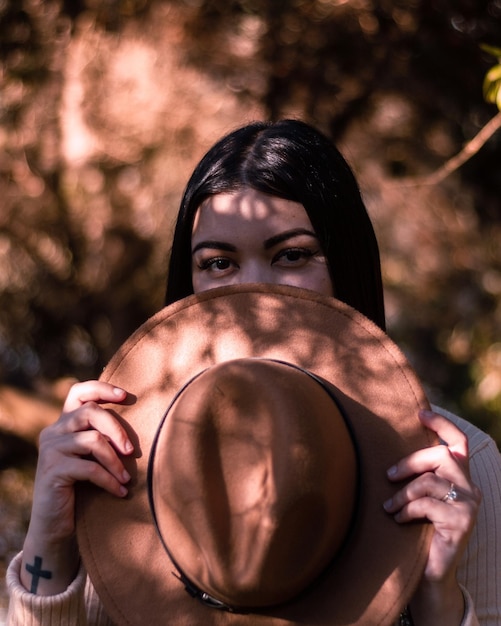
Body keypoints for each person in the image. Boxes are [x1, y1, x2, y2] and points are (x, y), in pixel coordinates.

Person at [6, 119, 501, 625]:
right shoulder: (116, 464)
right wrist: (51, 544)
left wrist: (438, 596)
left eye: (292, 255)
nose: (254, 297)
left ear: (345, 264)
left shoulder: (458, 468)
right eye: (218, 263)